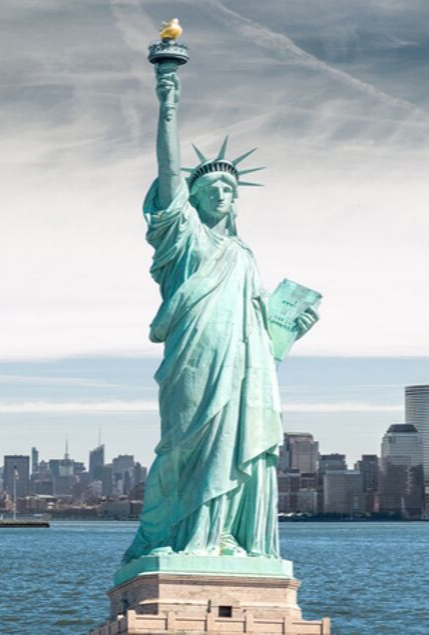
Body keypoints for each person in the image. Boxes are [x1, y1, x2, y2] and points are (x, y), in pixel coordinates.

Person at [122, 60, 317, 563]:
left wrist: (290, 328)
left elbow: (259, 332)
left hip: (242, 363)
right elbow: (169, 172)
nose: (221, 194)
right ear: (194, 198)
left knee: (237, 445)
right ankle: (174, 535)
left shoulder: (245, 255)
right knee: (183, 443)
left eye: (229, 189)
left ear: (236, 200)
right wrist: (168, 105)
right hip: (193, 352)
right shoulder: (183, 237)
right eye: (210, 189)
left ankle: (223, 535)